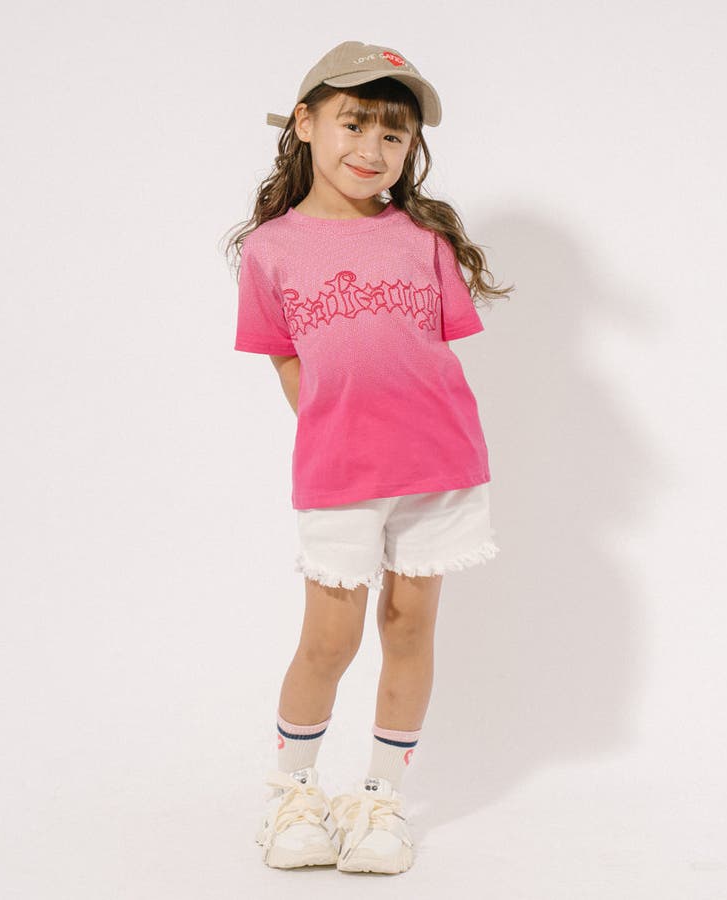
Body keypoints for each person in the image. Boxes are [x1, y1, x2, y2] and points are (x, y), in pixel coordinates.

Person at [223, 40, 515, 875]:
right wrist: (334, 426)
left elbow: (431, 353)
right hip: (341, 473)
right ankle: (292, 793)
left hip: (441, 465)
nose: (372, 148)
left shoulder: (421, 238)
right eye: (353, 124)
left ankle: (382, 800)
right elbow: (287, 358)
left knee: (410, 627)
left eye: (394, 134)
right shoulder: (271, 249)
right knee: (329, 638)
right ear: (305, 122)